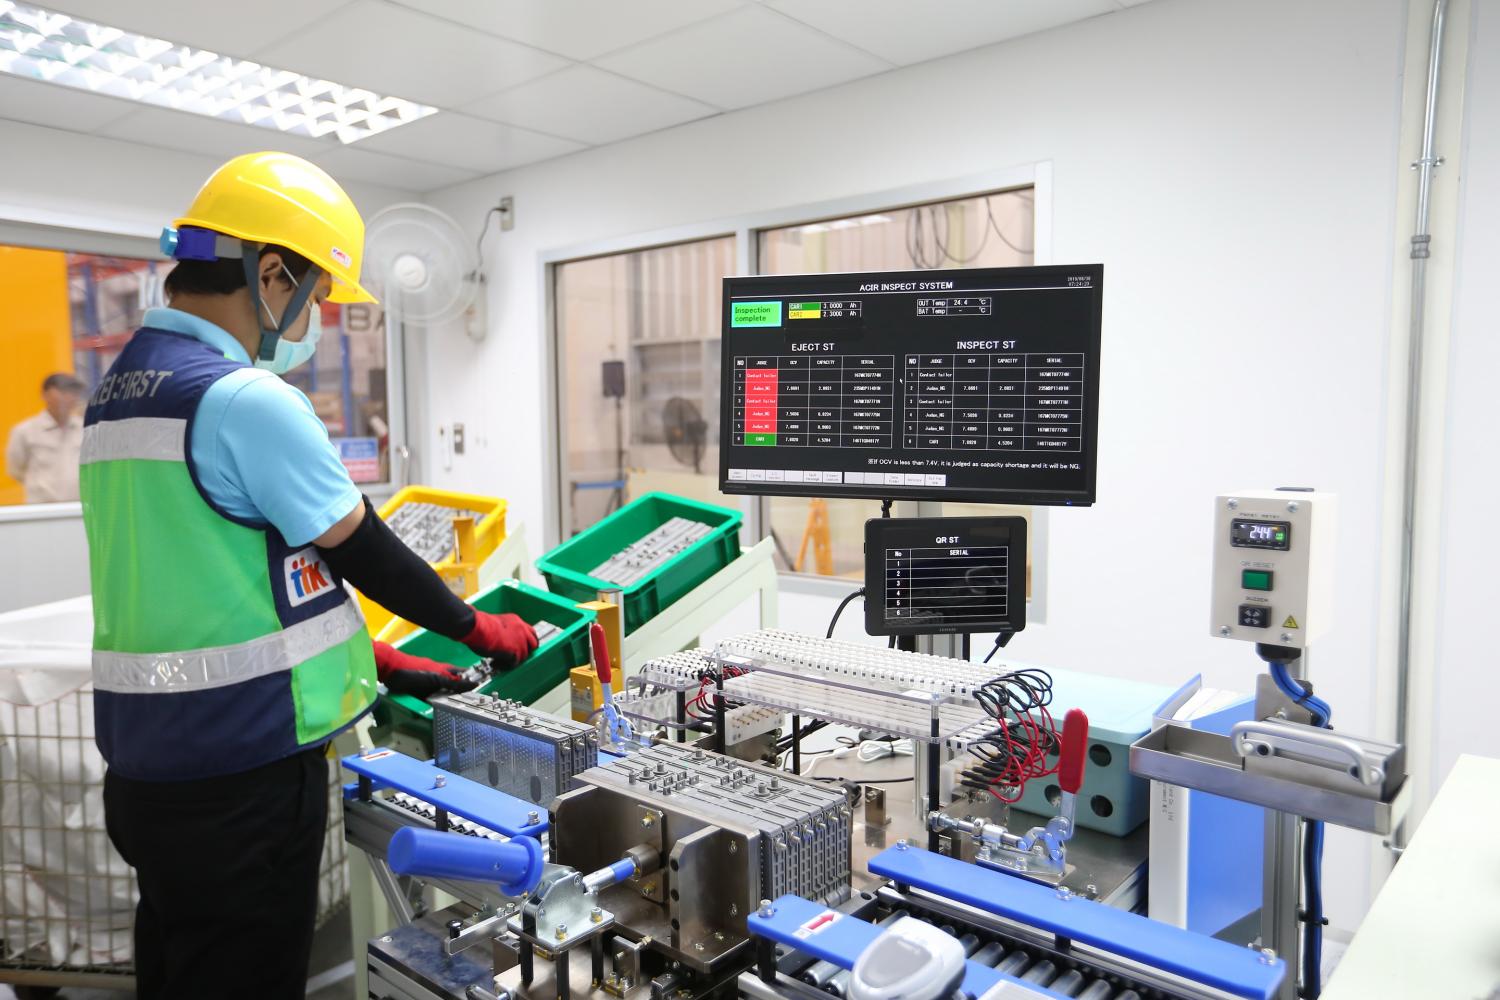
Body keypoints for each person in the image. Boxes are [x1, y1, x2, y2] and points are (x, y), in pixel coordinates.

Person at [78, 152, 539, 1000]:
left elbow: (223, 576)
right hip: (239, 777)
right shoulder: (238, 398)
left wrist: (377, 663)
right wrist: (477, 627)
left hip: (147, 775)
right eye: (318, 294)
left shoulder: (119, 394)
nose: (316, 317)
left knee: (179, 969)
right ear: (271, 272)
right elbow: (360, 549)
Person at [5, 372, 85, 502]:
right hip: (43, 509)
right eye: (62, 392)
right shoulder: (25, 431)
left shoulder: (85, 428)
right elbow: (16, 470)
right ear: (45, 395)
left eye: (73, 392)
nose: (69, 397)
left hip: (79, 507)